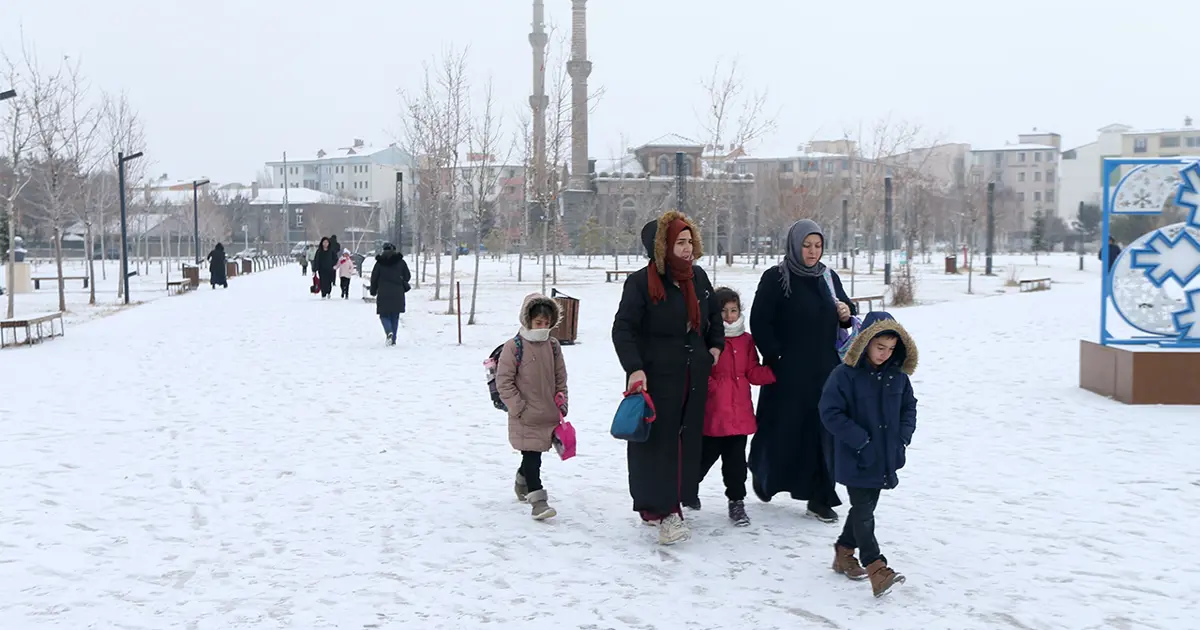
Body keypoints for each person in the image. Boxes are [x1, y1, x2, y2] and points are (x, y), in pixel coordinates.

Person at [612, 210, 724, 545]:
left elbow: (714, 315)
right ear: (663, 246)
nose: (688, 248)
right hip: (656, 377)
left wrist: (714, 347)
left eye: (690, 241)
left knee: (687, 443)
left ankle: (672, 501)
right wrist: (634, 368)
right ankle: (665, 512)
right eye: (680, 242)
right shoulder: (641, 283)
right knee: (658, 445)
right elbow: (623, 329)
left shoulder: (698, 278)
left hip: (693, 374)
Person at [749, 219, 856, 523]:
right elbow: (760, 321)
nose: (812, 251)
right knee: (781, 428)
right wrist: (776, 356)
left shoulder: (828, 277)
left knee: (822, 431)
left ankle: (819, 497)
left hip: (825, 370)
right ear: (795, 245)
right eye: (807, 245)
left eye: (817, 245)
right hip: (787, 371)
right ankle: (764, 471)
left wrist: (846, 314)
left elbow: (844, 310)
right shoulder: (776, 278)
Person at [819, 311, 918, 598]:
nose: (885, 354)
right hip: (855, 456)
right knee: (864, 510)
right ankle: (876, 565)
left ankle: (843, 551)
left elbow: (909, 408)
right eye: (879, 347)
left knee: (864, 509)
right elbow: (830, 412)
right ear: (865, 342)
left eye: (890, 349)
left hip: (886, 456)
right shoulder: (844, 375)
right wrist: (860, 440)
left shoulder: (897, 378)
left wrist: (902, 438)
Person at [700, 287, 775, 527]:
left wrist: (775, 371)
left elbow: (752, 371)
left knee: (736, 466)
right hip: (714, 415)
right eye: (723, 311)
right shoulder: (708, 338)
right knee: (701, 461)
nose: (730, 316)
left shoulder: (746, 340)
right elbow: (701, 372)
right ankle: (682, 493)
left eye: (733, 310)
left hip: (739, 416)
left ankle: (736, 502)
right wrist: (713, 390)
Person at [496, 294, 569, 521]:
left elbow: (560, 376)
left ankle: (521, 481)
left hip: (548, 412)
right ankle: (538, 501)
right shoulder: (514, 346)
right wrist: (518, 407)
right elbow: (504, 380)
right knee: (532, 456)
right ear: (528, 320)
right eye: (538, 323)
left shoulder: (553, 346)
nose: (543, 327)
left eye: (547, 323)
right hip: (525, 414)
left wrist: (562, 400)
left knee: (534, 452)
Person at [368, 243, 411, 345]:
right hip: (398, 292)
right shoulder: (400, 262)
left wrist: (373, 290)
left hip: (383, 292)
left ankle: (388, 332)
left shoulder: (379, 263)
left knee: (383, 315)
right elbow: (407, 276)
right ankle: (393, 339)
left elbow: (374, 278)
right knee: (395, 316)